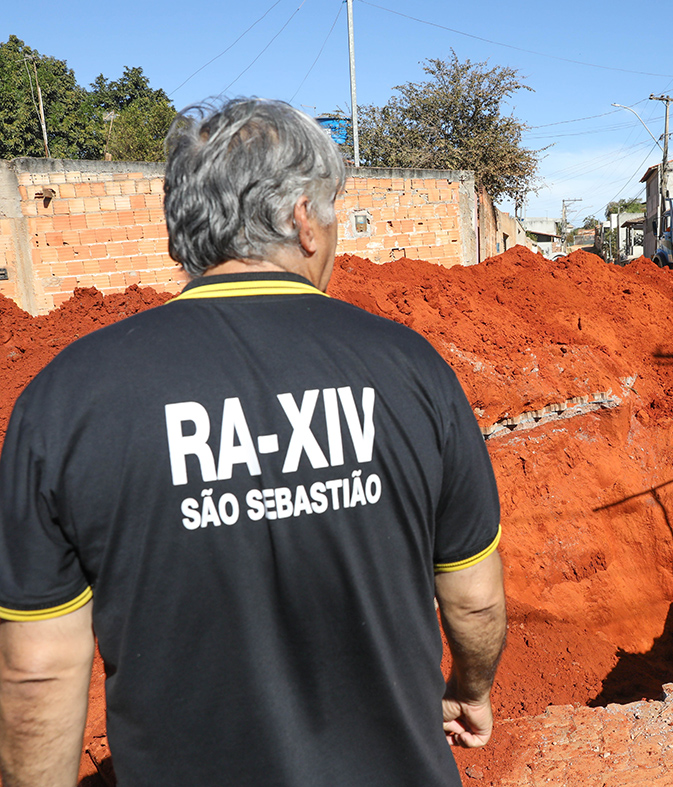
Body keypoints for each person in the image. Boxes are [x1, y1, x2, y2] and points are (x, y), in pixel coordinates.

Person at [0, 98, 506, 787]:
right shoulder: (414, 371)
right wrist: (472, 687)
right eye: (329, 213)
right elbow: (473, 598)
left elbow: (36, 671)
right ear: (303, 218)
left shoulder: (65, 399)